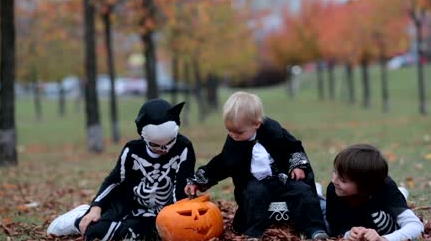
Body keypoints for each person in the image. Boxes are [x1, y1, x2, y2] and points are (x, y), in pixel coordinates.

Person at [184, 91, 328, 240]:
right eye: (229, 131)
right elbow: (221, 164)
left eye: (238, 132)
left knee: (302, 191)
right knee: (254, 194)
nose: (233, 135)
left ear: (257, 124)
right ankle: (253, 232)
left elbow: (293, 147)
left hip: (282, 179)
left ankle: (314, 228)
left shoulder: (274, 133)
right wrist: (198, 181)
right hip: (254, 182)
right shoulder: (234, 143)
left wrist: (297, 166)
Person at [47, 99, 196, 240]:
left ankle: (127, 228)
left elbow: (181, 188)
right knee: (93, 232)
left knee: (150, 232)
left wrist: (178, 218)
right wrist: (96, 206)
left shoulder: (184, 148)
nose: (164, 150)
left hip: (163, 212)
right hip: (129, 205)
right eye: (156, 145)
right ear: (144, 138)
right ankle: (79, 216)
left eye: (169, 143)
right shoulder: (132, 150)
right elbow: (114, 181)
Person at [326, 144, 424, 241]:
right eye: (335, 172)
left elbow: (415, 226)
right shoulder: (334, 189)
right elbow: (335, 225)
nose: (334, 180)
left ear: (364, 185)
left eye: (343, 180)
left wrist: (384, 239)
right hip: (362, 211)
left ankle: (401, 193)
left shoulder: (386, 188)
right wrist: (349, 234)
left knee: (393, 207)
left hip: (381, 205)